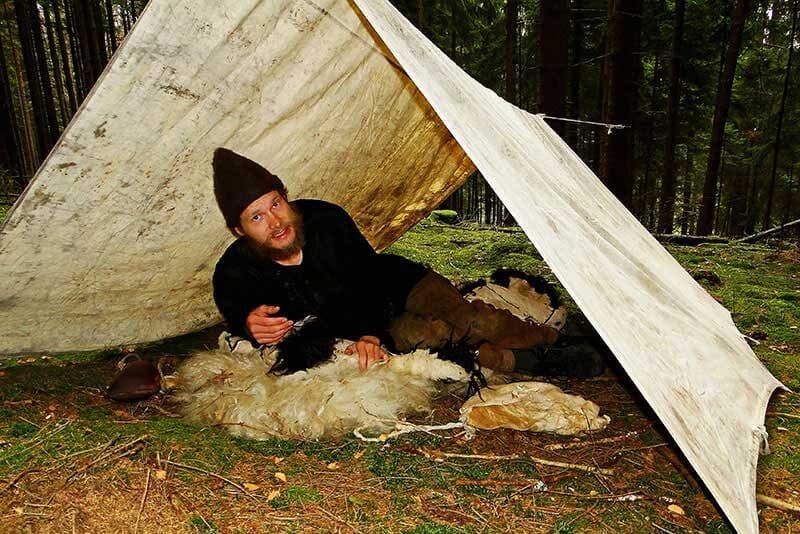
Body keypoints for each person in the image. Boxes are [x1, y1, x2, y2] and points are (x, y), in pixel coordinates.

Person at [211, 148, 604, 376]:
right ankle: (527, 362)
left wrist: (368, 332)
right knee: (433, 340)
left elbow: (365, 278)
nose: (275, 222)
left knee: (472, 321)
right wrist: (248, 322)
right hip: (379, 327)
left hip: (397, 284)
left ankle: (552, 339)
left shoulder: (325, 218)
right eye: (257, 217)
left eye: (275, 204)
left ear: (284, 195)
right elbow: (235, 310)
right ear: (239, 230)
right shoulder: (235, 270)